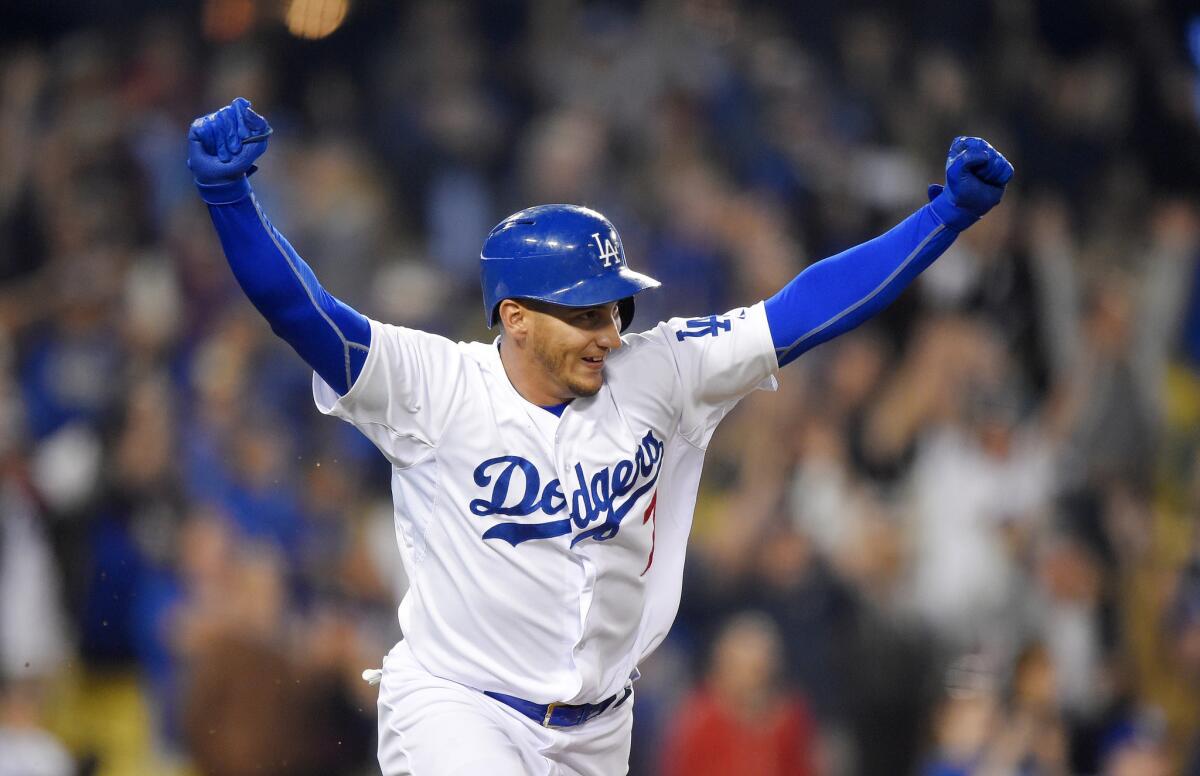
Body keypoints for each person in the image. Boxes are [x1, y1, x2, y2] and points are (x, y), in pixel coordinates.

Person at [187, 97, 1012, 776]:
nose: (609, 330)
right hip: (457, 708)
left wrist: (941, 218)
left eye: (614, 307)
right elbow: (303, 312)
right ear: (512, 318)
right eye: (582, 312)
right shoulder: (434, 384)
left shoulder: (659, 370)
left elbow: (800, 311)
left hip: (598, 729)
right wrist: (231, 200)